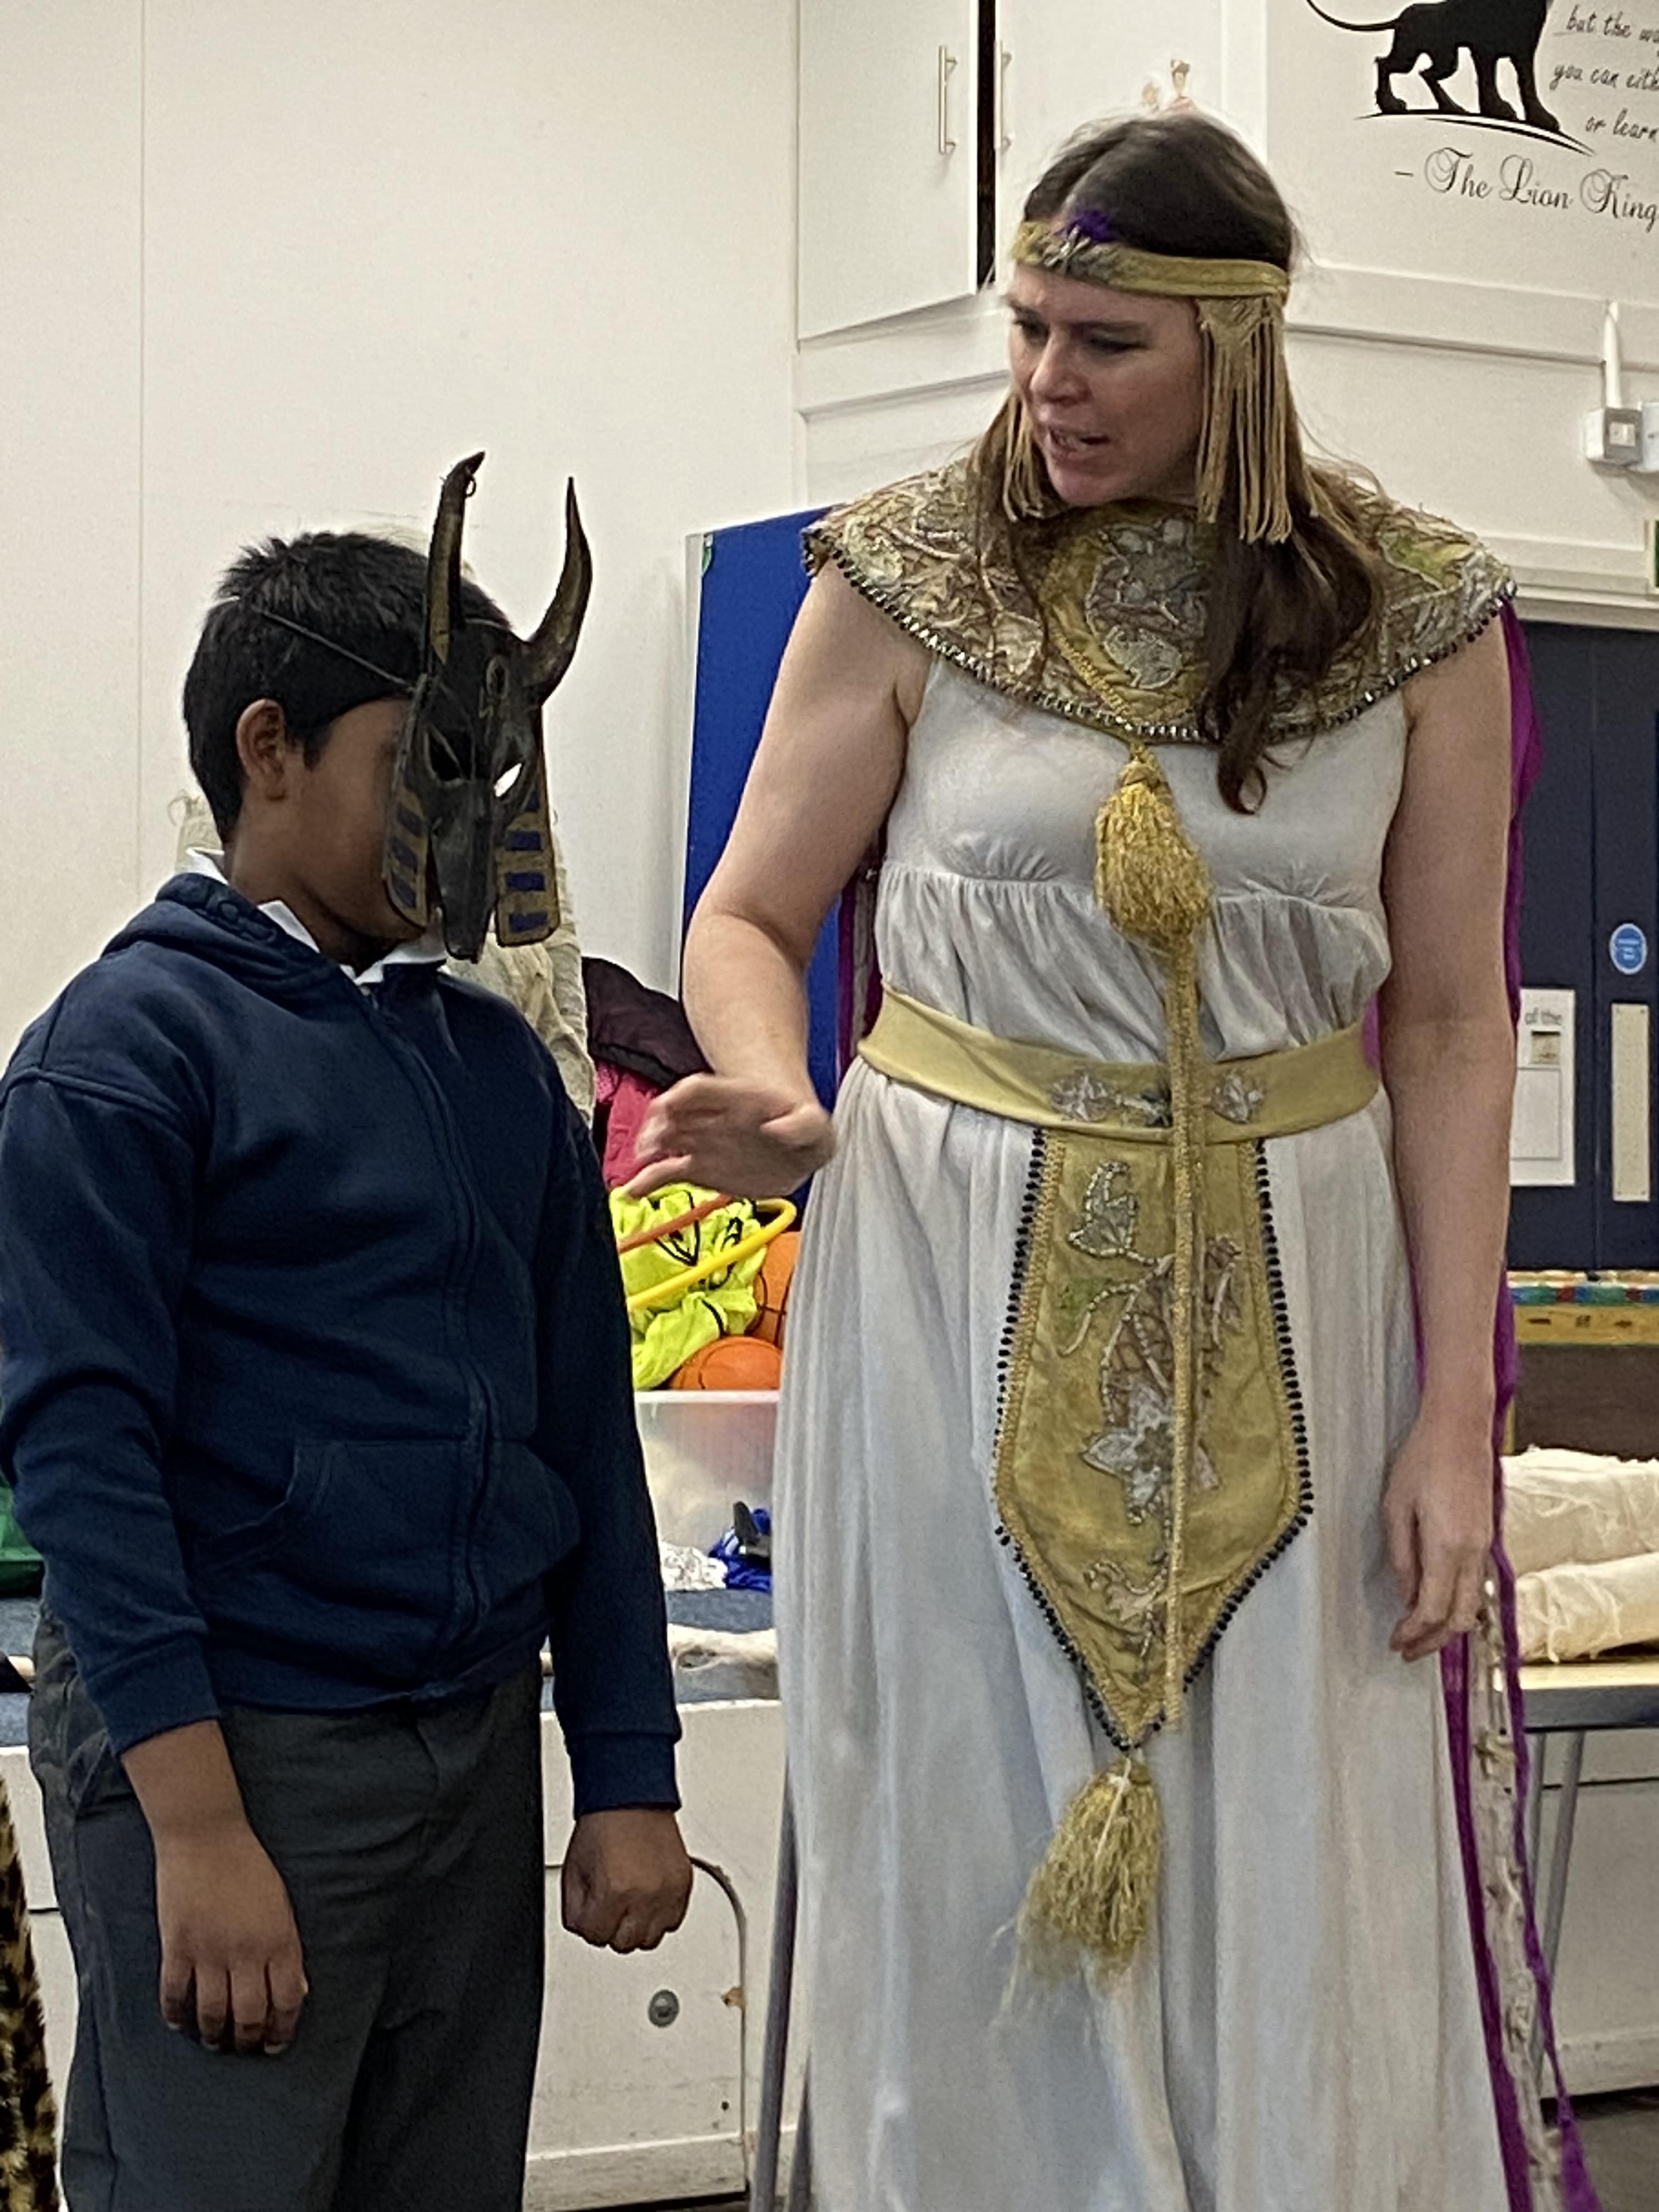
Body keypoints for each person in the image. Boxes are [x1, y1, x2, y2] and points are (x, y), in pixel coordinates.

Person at [631, 115, 1596, 2212]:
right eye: (1029, 329)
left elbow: (1449, 1021)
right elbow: (747, 915)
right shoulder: (903, 577)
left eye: (1105, 341)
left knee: (1297, 1840)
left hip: (1301, 1282)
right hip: (944, 1267)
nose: (1048, 381)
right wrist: (777, 1090)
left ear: (1235, 348)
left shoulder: (1419, 615)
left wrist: (1453, 1411)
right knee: (963, 1821)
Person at [0, 458, 692, 2212]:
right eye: (422, 765)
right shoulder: (124, 1057)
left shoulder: (495, 1069)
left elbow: (583, 1431)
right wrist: (197, 1829)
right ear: (269, 749)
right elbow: (83, 1459)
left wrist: (626, 1768)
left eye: (498, 772)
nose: (469, 819)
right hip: (242, 1747)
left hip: (472, 1751)